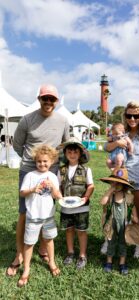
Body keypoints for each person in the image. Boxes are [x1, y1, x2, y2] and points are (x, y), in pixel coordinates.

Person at [6, 84, 69, 277]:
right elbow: (17, 144)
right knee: (25, 213)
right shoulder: (27, 119)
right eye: (45, 98)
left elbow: (66, 145)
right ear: (39, 99)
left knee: (47, 211)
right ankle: (19, 255)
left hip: (52, 172)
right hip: (28, 171)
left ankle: (43, 249)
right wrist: (31, 162)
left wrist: (53, 167)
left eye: (52, 99)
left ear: (56, 102)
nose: (48, 102)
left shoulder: (63, 120)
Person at [104, 101, 139, 258]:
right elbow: (107, 147)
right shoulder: (121, 131)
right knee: (115, 211)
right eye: (129, 115)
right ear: (125, 116)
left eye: (136, 115)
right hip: (121, 179)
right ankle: (109, 239)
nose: (132, 118)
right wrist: (117, 143)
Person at [17, 145, 62, 287]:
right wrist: (32, 189)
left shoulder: (53, 176)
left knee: (49, 240)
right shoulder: (30, 176)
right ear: (35, 161)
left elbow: (58, 196)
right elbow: (22, 193)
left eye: (45, 161)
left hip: (48, 215)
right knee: (29, 243)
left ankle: (52, 262)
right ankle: (26, 269)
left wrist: (53, 187)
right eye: (39, 161)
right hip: (33, 216)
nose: (42, 164)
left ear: (52, 162)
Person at [59, 137, 94, 269]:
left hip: (81, 207)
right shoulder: (61, 170)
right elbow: (58, 187)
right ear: (65, 154)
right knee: (69, 230)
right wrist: (59, 197)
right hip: (66, 207)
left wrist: (85, 197)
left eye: (75, 152)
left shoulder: (86, 170)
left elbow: (90, 186)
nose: (72, 155)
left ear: (80, 154)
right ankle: (70, 252)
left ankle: (82, 255)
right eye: (69, 152)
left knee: (81, 231)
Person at [100, 167, 138, 275]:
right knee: (111, 241)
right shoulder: (110, 196)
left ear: (124, 185)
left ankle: (122, 262)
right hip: (111, 224)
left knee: (122, 242)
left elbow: (133, 207)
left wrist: (135, 216)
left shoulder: (128, 197)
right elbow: (102, 202)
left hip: (124, 224)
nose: (115, 185)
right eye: (114, 182)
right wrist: (109, 191)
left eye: (118, 183)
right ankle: (109, 261)